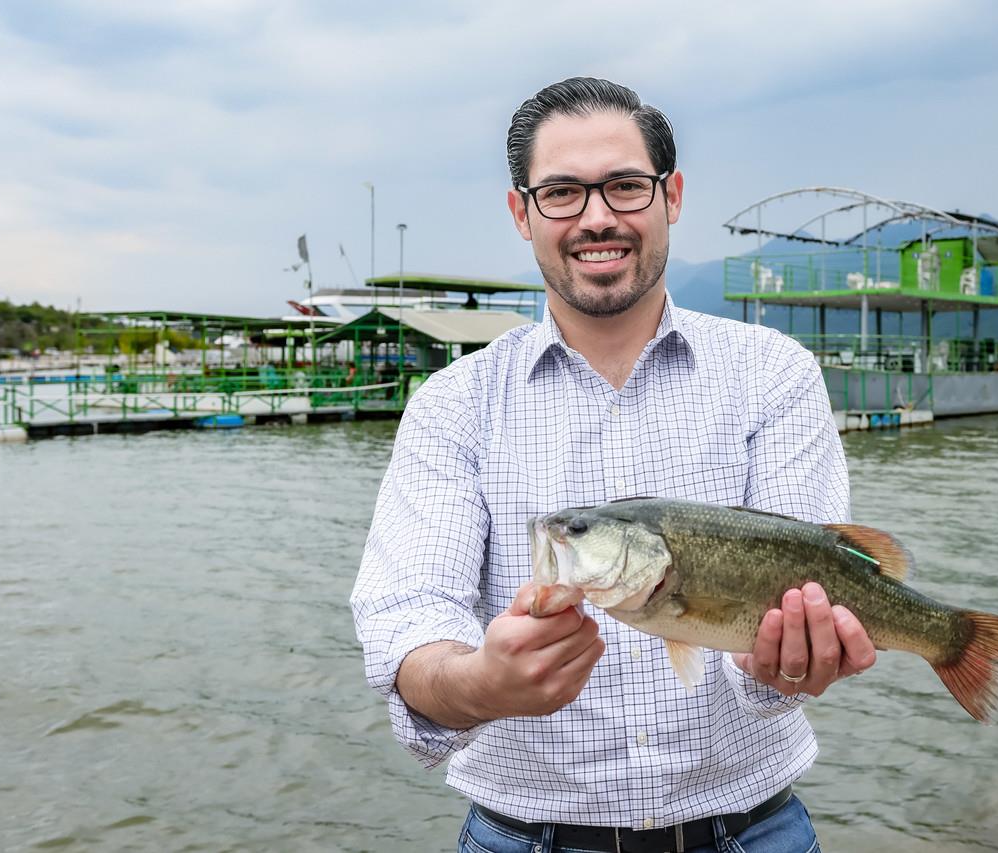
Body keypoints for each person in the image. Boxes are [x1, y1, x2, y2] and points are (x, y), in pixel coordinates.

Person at [351, 77, 877, 853]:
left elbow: (783, 640)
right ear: (520, 211)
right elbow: (408, 616)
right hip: (520, 837)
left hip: (754, 830)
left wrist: (789, 664)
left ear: (672, 196)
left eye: (626, 186)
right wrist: (478, 683)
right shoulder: (451, 404)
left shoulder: (774, 373)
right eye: (561, 192)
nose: (597, 217)